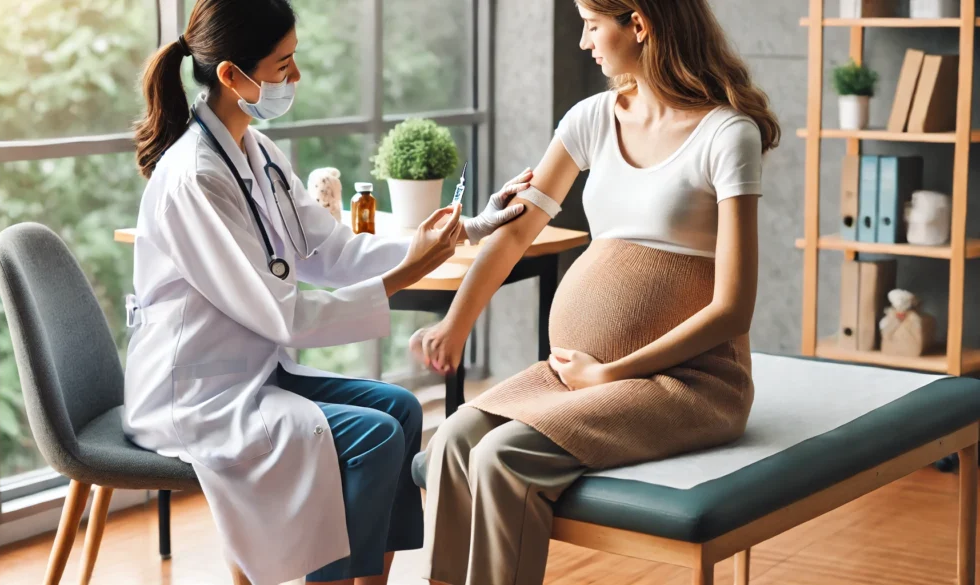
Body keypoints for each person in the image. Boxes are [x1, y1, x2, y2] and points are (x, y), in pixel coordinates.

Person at [124, 1, 526, 584]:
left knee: (402, 408)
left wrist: (468, 228)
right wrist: (406, 273)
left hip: (249, 370)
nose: (296, 77)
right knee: (375, 435)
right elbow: (281, 314)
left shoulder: (257, 155)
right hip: (195, 392)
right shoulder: (195, 178)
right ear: (233, 76)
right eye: (283, 64)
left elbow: (331, 252)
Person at [409, 1, 781, 584]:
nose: (583, 42)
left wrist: (613, 373)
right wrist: (456, 323)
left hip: (691, 382)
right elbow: (512, 237)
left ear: (639, 23)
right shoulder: (590, 118)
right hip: (579, 373)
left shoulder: (726, 135)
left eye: (590, 24)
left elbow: (734, 306)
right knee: (455, 437)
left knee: (502, 459)